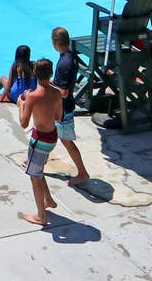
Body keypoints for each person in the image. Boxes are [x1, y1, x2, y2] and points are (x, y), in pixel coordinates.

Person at [18, 58, 63, 225]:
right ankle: (49, 200)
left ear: (34, 73)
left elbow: (23, 123)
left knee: (34, 176)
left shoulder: (32, 97)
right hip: (52, 137)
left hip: (39, 141)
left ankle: (41, 216)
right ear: (51, 73)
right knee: (38, 170)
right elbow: (58, 117)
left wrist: (21, 105)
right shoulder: (57, 93)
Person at [50, 27, 90, 186]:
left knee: (66, 141)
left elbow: (64, 92)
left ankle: (83, 173)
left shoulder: (64, 63)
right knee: (49, 133)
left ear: (54, 42)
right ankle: (37, 161)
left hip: (63, 109)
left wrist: (47, 89)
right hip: (61, 107)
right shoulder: (70, 56)